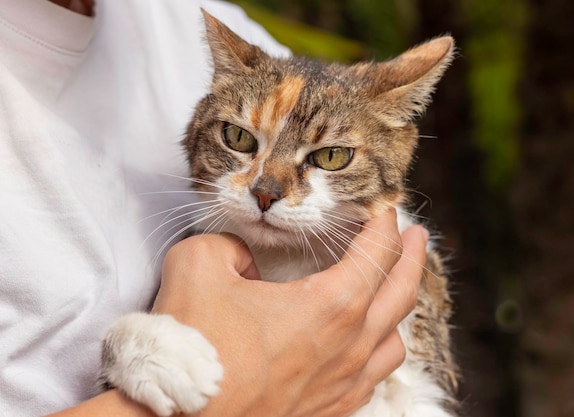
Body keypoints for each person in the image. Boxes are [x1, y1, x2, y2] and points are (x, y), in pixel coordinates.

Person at [0, 1, 428, 416]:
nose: (268, 191)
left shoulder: (194, 18)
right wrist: (239, 400)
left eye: (330, 156)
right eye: (240, 140)